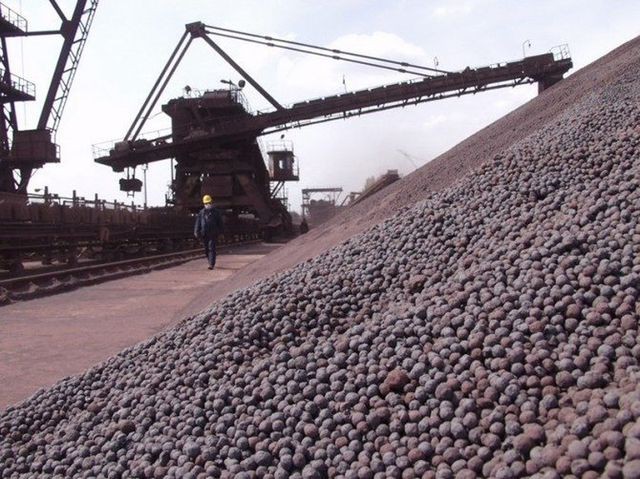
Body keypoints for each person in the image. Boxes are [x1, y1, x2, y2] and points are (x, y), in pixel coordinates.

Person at [194, 195, 224, 270]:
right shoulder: (201, 213)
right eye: (206, 203)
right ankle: (210, 261)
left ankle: (211, 264)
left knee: (211, 248)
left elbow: (220, 223)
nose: (208, 204)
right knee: (206, 249)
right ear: (204, 204)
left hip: (213, 234)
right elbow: (198, 223)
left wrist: (221, 232)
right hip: (204, 234)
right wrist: (196, 231)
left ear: (211, 203)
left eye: (209, 203)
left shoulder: (216, 212)